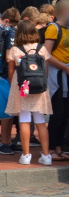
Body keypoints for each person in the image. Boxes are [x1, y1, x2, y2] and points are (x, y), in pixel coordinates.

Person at [6, 20, 53, 165]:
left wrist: (15, 84)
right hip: (39, 88)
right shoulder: (42, 49)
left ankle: (26, 156)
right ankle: (46, 156)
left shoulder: (15, 50)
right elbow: (46, 70)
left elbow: (11, 72)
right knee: (40, 121)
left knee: (24, 120)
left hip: (22, 87)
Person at [44, 0, 69, 160]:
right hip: (56, 78)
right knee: (57, 114)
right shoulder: (53, 29)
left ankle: (58, 148)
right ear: (65, 11)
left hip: (66, 75)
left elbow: (67, 53)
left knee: (65, 114)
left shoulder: (68, 29)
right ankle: (52, 149)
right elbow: (46, 54)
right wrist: (66, 68)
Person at [0, 7, 18, 155]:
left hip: (4, 74)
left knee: (7, 109)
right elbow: (9, 56)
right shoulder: (8, 32)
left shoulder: (5, 31)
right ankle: (5, 142)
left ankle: (7, 141)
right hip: (4, 75)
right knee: (7, 110)